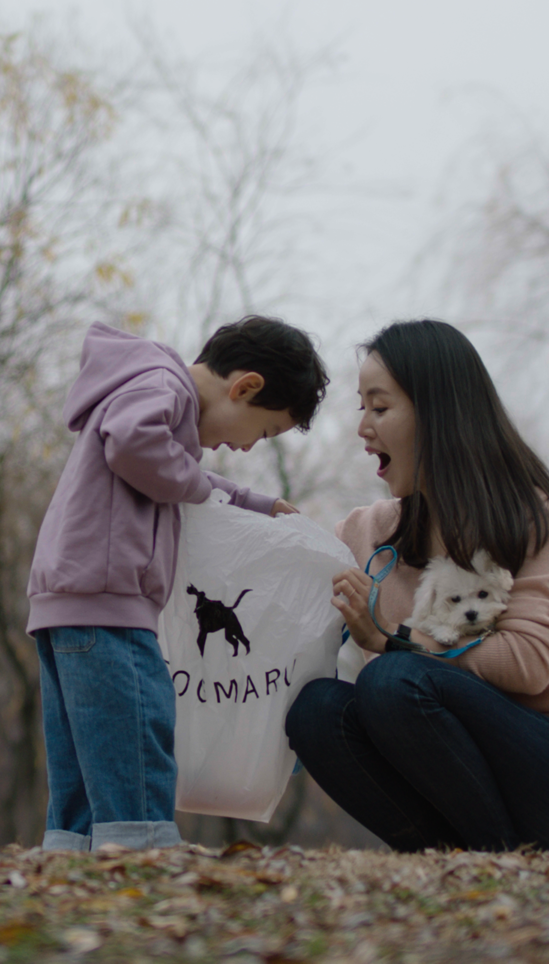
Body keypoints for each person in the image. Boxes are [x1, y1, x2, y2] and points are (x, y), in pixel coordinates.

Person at [285, 319, 549, 852]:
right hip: (454, 790)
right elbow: (293, 597)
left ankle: (494, 861)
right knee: (316, 710)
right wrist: (266, 534)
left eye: (380, 408)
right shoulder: (367, 533)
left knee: (391, 679)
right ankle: (454, 860)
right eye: (361, 408)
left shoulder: (531, 514)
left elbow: (528, 662)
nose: (363, 428)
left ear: (435, 412)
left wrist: (394, 640)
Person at [28, 316, 330, 851]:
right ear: (246, 387)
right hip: (107, 601)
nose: (247, 448)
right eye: (263, 432)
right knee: (137, 728)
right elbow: (132, 443)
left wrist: (249, 502)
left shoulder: (149, 390)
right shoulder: (162, 384)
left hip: (71, 602)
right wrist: (198, 486)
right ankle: (143, 852)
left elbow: (168, 463)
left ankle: (71, 860)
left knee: (85, 759)